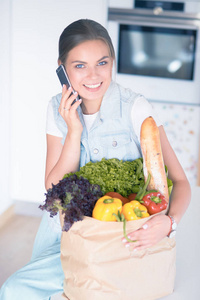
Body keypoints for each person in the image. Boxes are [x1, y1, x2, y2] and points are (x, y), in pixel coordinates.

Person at [0, 19, 191, 299]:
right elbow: (54, 191)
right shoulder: (56, 109)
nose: (93, 76)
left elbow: (180, 180)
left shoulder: (135, 108)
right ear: (61, 68)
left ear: (112, 62)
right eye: (79, 66)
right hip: (67, 234)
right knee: (15, 291)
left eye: (102, 63)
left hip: (120, 239)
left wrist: (170, 223)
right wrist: (74, 130)